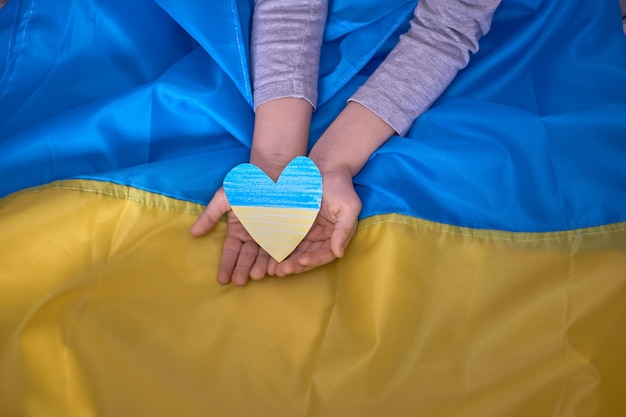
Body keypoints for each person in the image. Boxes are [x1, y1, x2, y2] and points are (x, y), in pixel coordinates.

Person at [190, 0, 502, 285]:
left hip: (424, 61)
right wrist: (275, 156)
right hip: (289, 49)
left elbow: (447, 27)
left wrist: (334, 160)